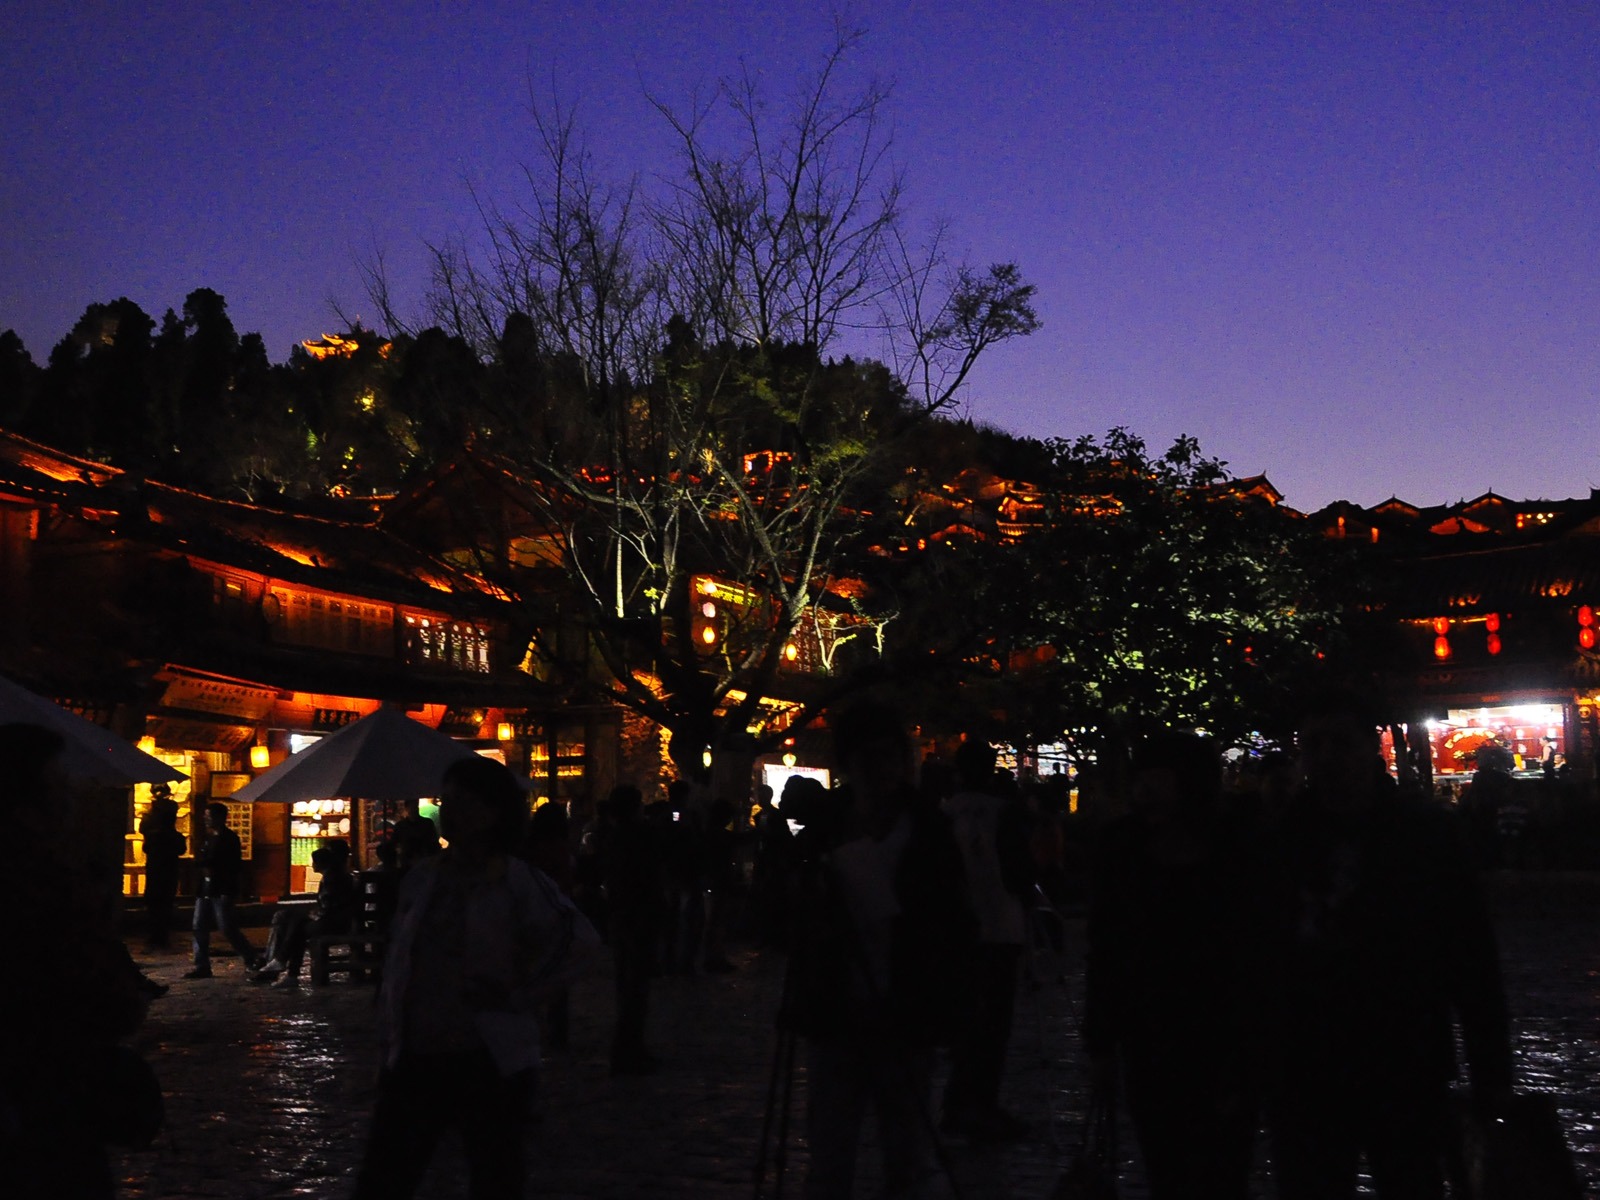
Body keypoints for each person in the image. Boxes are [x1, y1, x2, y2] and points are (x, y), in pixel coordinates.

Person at [1266, 690, 1513, 1200]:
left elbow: (1470, 954)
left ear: (1371, 747)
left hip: (1403, 1055)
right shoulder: (1276, 839)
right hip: (1305, 1062)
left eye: (1341, 743)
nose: (1328, 757)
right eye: (1314, 745)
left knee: (1409, 1181)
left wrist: (1490, 1068)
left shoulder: (1425, 834)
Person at [352, 755, 596, 1200]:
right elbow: (401, 961)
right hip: (418, 1052)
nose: (449, 811)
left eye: (462, 802)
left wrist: (522, 994)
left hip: (487, 1054)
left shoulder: (518, 881)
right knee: (385, 1177)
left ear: (492, 813)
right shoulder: (422, 879)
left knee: (494, 1176)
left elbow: (576, 941)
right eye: (446, 801)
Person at [785, 701, 977, 1200]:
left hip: (907, 1008)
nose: (882, 769)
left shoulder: (930, 832)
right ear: (849, 763)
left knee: (907, 1153)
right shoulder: (825, 830)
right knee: (829, 1153)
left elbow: (954, 922)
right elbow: (788, 919)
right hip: (837, 1007)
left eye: (891, 756)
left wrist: (951, 1006)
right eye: (869, 757)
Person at [1083, 731, 1266, 1199]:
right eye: (1141, 779)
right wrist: (1101, 1040)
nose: (1145, 791)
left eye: (1156, 779)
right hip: (1150, 1034)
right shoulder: (1122, 848)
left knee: (1223, 1167)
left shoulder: (1238, 847)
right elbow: (1106, 947)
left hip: (1223, 1036)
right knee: (1165, 1162)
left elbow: (1254, 950)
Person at [0, 723, 153, 1198]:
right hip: (47, 1101)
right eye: (59, 783)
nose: (71, 796)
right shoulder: (47, 882)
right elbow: (108, 998)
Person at [939, 738, 1034, 1142]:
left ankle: (958, 1103)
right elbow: (1018, 874)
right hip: (1001, 926)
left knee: (965, 1021)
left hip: (960, 929)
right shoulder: (1005, 813)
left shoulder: (943, 813)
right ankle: (980, 1105)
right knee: (993, 1025)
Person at [602, 783, 666, 1075]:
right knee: (636, 987)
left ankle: (626, 1047)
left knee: (626, 985)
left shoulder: (612, 836)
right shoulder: (640, 837)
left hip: (621, 915)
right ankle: (630, 1049)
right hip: (638, 916)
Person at [250, 838, 359, 987]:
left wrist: (311, 915)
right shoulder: (341, 875)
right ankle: (281, 967)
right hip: (338, 920)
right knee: (291, 921)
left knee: (296, 926)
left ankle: (283, 967)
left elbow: (328, 907)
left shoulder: (333, 877)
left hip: (334, 923)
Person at [187, 801, 260, 979]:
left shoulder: (229, 839)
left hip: (222, 888)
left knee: (227, 927)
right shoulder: (209, 837)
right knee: (199, 926)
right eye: (205, 816)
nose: (206, 819)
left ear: (220, 818)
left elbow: (229, 865)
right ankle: (202, 965)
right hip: (206, 887)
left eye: (209, 816)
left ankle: (251, 957)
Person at [139, 784, 185, 951]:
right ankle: (161, 935)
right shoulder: (174, 835)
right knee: (165, 903)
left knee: (154, 902)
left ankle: (156, 935)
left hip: (156, 870)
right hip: (169, 870)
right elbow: (181, 849)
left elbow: (146, 847)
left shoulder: (153, 834)